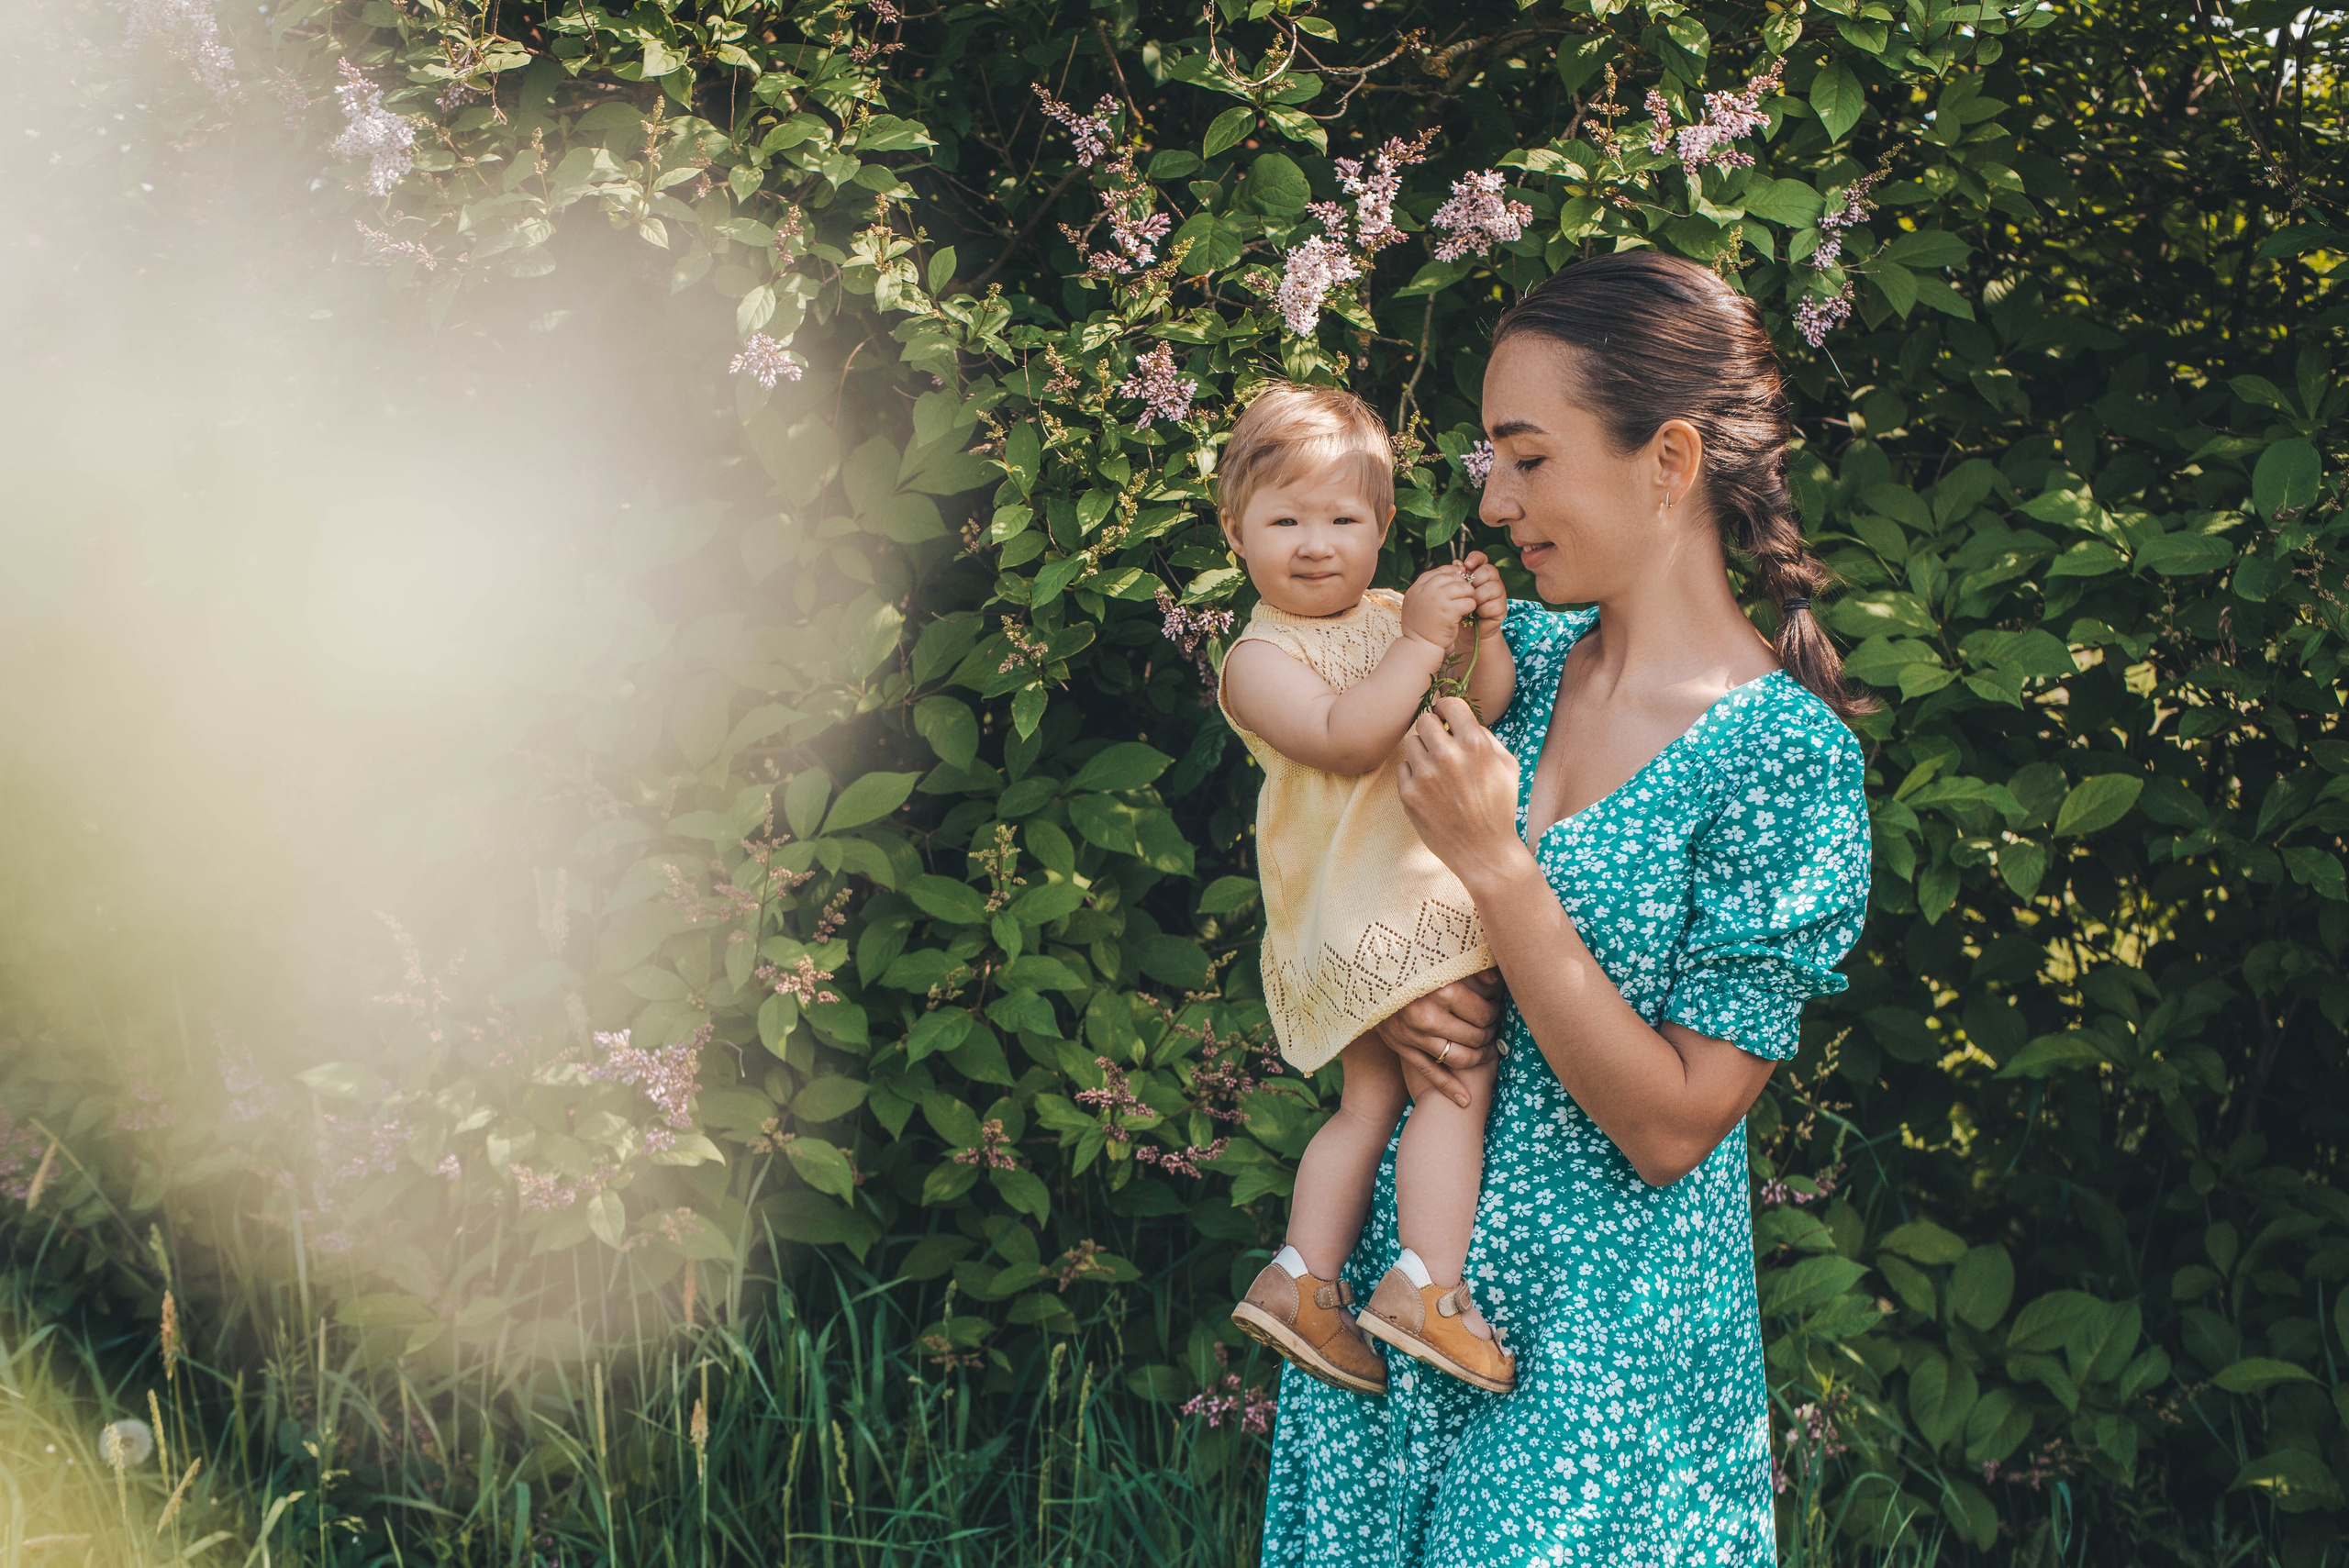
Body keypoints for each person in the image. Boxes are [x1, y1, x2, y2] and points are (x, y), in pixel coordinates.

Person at [1259, 252, 1874, 1565]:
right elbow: (1320, 857)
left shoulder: (1783, 756)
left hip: (1597, 1376)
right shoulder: (1505, 669)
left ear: (1669, 460)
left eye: (1528, 460)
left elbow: (1672, 1124)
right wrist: (1391, 998)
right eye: (1491, 459)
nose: (1494, 500)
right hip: (1397, 1326)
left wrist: (1499, 870)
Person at [1212, 383, 1521, 1398]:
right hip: (1369, 914)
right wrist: (1423, 642)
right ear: (1236, 531)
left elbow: (1483, 703)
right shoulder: (1257, 658)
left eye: (1342, 518)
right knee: (1455, 1083)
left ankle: (1306, 1275)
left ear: (1382, 527)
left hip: (1376, 910)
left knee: (1371, 1097)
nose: (1314, 543)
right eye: (1284, 519)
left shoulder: (1394, 616)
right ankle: (1427, 1284)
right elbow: (1349, 738)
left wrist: (1477, 632)